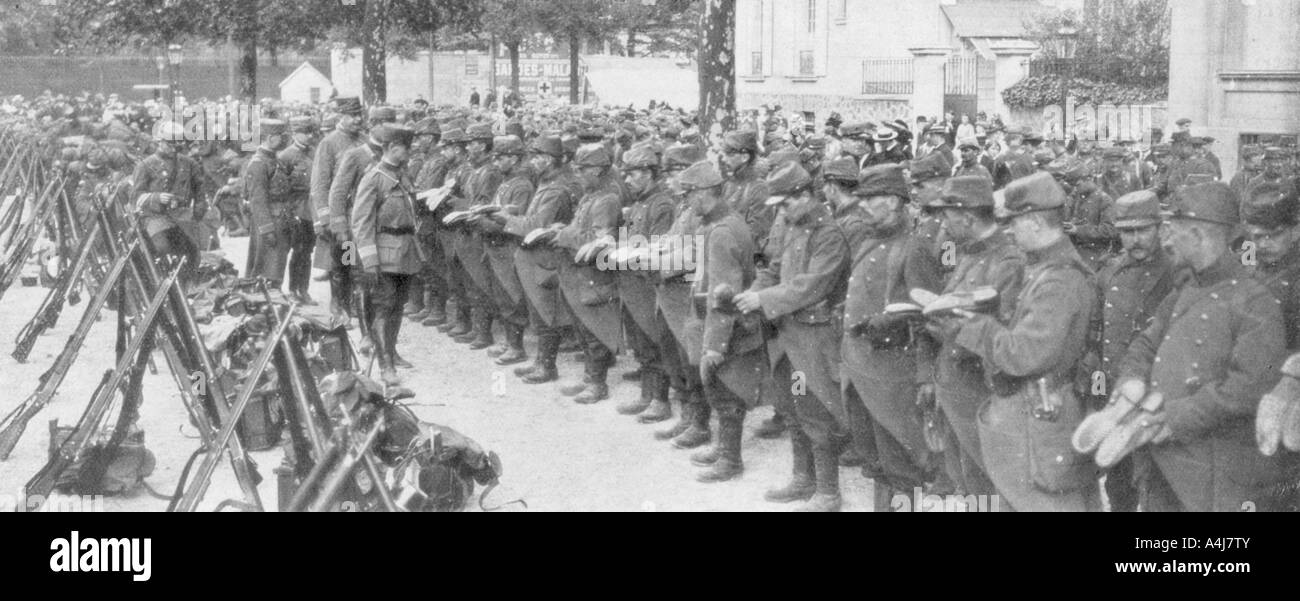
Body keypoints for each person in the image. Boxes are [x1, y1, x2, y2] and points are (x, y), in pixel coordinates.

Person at [1118, 183, 1292, 511]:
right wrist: (1131, 380)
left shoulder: (1255, 301)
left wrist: (1173, 417)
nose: (1167, 240)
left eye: (1174, 231)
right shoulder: (1186, 286)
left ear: (1197, 235)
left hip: (1209, 476)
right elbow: (1145, 342)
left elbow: (1247, 388)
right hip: (1161, 463)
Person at [945, 172, 1101, 512]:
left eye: (1013, 224)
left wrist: (973, 324)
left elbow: (1024, 354)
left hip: (1040, 422)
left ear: (1032, 222)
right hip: (1032, 416)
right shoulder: (1044, 269)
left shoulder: (1060, 280)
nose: (1010, 232)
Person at [734, 162, 851, 510]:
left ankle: (828, 492)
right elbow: (773, 269)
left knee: (816, 411)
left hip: (813, 341)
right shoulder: (791, 225)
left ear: (804, 196)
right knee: (795, 406)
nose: (781, 212)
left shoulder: (828, 234)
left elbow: (810, 286)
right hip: (789, 340)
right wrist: (753, 294)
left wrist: (763, 299)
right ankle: (804, 478)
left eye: (785, 203)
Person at [836, 165, 946, 511]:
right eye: (861, 198)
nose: (863, 206)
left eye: (872, 199)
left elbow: (930, 315)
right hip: (860, 370)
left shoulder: (914, 247)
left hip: (893, 376)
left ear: (896, 201)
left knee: (901, 465)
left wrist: (924, 374)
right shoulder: (869, 239)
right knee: (876, 462)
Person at [925, 175, 1025, 501]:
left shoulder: (1007, 262)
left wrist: (951, 327)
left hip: (978, 391)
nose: (943, 224)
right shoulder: (969, 253)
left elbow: (1005, 336)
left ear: (967, 218)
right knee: (966, 476)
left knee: (990, 479)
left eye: (947, 216)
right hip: (954, 386)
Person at [1088, 190, 1177, 512]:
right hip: (1116, 394)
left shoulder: (1177, 272)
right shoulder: (1109, 272)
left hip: (1157, 396)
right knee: (1118, 480)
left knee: (1157, 484)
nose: (1135, 239)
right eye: (1127, 231)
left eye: (1143, 230)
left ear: (1160, 228)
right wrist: (1098, 394)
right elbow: (1096, 341)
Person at [682, 160, 767, 484]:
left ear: (705, 194)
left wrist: (714, 346)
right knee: (721, 390)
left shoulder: (721, 232)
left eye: (690, 195)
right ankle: (723, 450)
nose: (688, 202)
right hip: (726, 322)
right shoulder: (725, 222)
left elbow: (723, 296)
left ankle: (730, 458)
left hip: (726, 325)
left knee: (725, 391)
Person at [503, 135, 579, 386]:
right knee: (538, 313)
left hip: (545, 257)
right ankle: (540, 362)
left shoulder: (555, 189)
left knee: (547, 313)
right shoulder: (546, 183)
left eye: (537, 157)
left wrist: (505, 219)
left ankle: (547, 365)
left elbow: (536, 225)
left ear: (548, 160)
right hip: (536, 257)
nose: (533, 161)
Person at [552, 144, 624, 404]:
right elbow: (579, 228)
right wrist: (566, 230)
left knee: (595, 329)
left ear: (597, 170)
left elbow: (599, 238)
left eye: (583, 170)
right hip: (578, 272)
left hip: (593, 273)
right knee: (583, 328)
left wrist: (565, 235)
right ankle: (589, 377)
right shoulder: (590, 196)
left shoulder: (607, 199)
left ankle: (598, 382)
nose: (578, 175)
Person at [352, 124, 423, 387]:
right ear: (392, 148)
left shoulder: (402, 176)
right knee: (383, 307)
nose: (409, 152)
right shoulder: (375, 177)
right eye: (406, 148)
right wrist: (369, 261)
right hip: (383, 253)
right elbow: (361, 222)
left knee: (397, 308)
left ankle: (390, 352)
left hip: (405, 251)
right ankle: (386, 366)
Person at [609, 146, 676, 422]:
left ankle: (660, 400)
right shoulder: (639, 203)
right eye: (625, 174)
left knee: (655, 341)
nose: (627, 180)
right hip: (632, 284)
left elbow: (659, 248)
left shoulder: (661, 204)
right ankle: (647, 395)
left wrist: (630, 253)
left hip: (648, 286)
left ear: (649, 173)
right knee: (642, 344)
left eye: (633, 173)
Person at [473, 135, 535, 366]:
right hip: (495, 246)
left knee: (512, 297)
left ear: (514, 158)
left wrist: (485, 223)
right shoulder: (506, 182)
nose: (497, 162)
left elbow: (515, 220)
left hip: (508, 247)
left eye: (501, 158)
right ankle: (510, 342)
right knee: (501, 295)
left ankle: (517, 347)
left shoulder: (522, 186)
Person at [132, 120, 205, 286]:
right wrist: (156, 198)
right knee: (163, 248)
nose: (174, 147)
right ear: (160, 142)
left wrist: (198, 211)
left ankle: (187, 288)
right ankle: (160, 286)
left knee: (192, 251)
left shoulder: (189, 163)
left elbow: (200, 189)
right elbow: (135, 197)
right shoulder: (145, 165)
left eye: (178, 143)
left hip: (181, 216)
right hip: (155, 217)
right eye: (170, 143)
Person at [311, 97, 365, 321]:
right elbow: (320, 183)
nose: (357, 120)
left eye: (359, 115)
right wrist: (325, 217)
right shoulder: (329, 143)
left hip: (361, 213)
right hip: (341, 212)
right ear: (341, 117)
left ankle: (354, 301)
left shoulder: (364, 140)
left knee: (357, 261)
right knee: (342, 261)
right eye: (352, 116)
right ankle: (338, 302)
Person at [1242, 182, 1300, 351]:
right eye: (1258, 236)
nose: (1263, 244)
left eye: (1274, 235)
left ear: (1296, 231)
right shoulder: (1250, 249)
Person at [242, 119, 293, 288]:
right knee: (266, 268)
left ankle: (273, 300)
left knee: (277, 265)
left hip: (281, 219)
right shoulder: (258, 164)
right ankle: (263, 305)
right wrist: (267, 229)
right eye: (280, 136)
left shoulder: (273, 160)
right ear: (271, 138)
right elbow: (258, 200)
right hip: (270, 222)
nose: (284, 140)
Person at [278, 116, 319, 305]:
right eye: (305, 132)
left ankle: (304, 289)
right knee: (298, 250)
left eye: (311, 132)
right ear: (295, 134)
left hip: (313, 208)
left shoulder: (315, 152)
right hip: (296, 208)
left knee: (308, 251)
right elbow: (281, 188)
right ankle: (293, 289)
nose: (310, 136)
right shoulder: (286, 156)